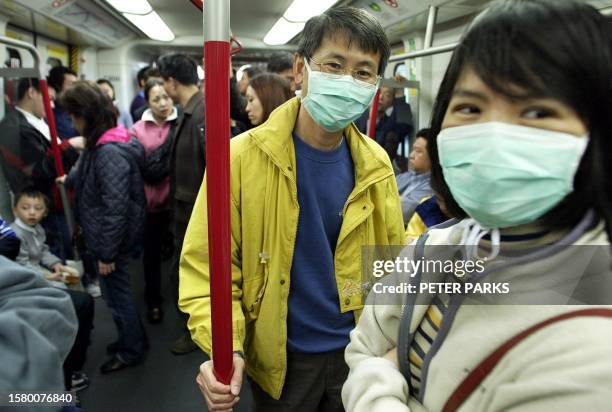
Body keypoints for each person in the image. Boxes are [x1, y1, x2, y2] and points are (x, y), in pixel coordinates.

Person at [342, 1, 612, 410]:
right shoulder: (435, 244)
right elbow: (361, 346)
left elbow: (368, 363)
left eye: (537, 111)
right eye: (469, 108)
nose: (494, 135)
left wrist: (378, 378)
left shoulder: (595, 345)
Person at [181, 7, 405, 411]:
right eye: (334, 65)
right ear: (300, 70)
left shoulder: (376, 164)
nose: (346, 81)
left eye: (363, 72)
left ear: (374, 85)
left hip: (358, 352)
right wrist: (225, 347)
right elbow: (207, 267)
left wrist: (387, 343)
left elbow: (387, 262)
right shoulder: (240, 158)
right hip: (282, 361)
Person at [59, 81, 148, 374]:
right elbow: (84, 170)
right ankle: (131, 339)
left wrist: (107, 254)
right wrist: (68, 181)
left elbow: (116, 208)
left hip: (112, 243)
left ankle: (131, 350)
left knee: (117, 297)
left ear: (86, 115)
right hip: (106, 239)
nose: (72, 122)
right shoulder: (100, 142)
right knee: (117, 294)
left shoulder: (109, 151)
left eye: (74, 116)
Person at [0, 78, 83, 260]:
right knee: (54, 253)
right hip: (40, 203)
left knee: (67, 247)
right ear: (32, 93)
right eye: (49, 98)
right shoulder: (13, 128)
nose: (52, 105)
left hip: (55, 200)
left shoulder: (37, 121)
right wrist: (70, 145)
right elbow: (40, 168)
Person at [157, 52, 205, 354]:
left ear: (173, 82)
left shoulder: (201, 113)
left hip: (194, 215)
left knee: (187, 278)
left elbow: (214, 169)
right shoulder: (191, 110)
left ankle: (197, 333)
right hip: (186, 212)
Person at [130, 78, 178, 324]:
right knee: (151, 258)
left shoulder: (180, 124)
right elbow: (141, 169)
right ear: (147, 102)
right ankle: (154, 301)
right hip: (150, 205)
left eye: (166, 97)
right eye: (156, 99)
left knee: (179, 255)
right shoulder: (138, 130)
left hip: (174, 203)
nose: (162, 103)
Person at [10, 189, 80, 288]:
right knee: (60, 289)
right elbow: (22, 265)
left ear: (45, 213)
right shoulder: (15, 235)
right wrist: (47, 276)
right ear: (15, 211)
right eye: (25, 208)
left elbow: (42, 250)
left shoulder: (38, 228)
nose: (32, 212)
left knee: (72, 279)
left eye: (38, 208)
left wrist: (55, 264)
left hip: (35, 269)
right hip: (20, 276)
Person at [356, 85, 414, 172]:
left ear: (392, 102)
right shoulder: (356, 117)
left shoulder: (389, 125)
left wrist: (400, 95)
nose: (380, 97)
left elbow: (404, 125)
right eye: (377, 93)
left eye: (387, 95)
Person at [395, 128, 433, 223]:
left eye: (418, 151)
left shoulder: (433, 187)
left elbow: (403, 211)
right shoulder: (403, 177)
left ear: (434, 156)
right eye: (413, 150)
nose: (411, 155)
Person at [47, 66, 79, 139]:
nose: (76, 89)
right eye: (71, 84)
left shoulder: (73, 108)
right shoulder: (47, 112)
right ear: (57, 86)